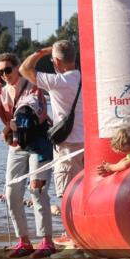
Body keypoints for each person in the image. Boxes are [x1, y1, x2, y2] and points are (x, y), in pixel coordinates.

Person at [0, 52, 57, 259]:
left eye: (8, 70)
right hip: (16, 145)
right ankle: (24, 241)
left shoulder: (33, 87)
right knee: (11, 192)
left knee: (37, 191)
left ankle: (47, 241)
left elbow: (33, 106)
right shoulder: (0, 94)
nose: (4, 75)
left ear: (17, 68)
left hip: (39, 144)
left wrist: (20, 116)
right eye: (0, 71)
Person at [19, 40, 84, 201]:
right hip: (87, 144)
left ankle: (69, 227)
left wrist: (41, 52)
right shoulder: (84, 78)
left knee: (68, 196)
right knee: (84, 193)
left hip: (67, 145)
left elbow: (24, 69)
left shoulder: (58, 82)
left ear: (57, 61)